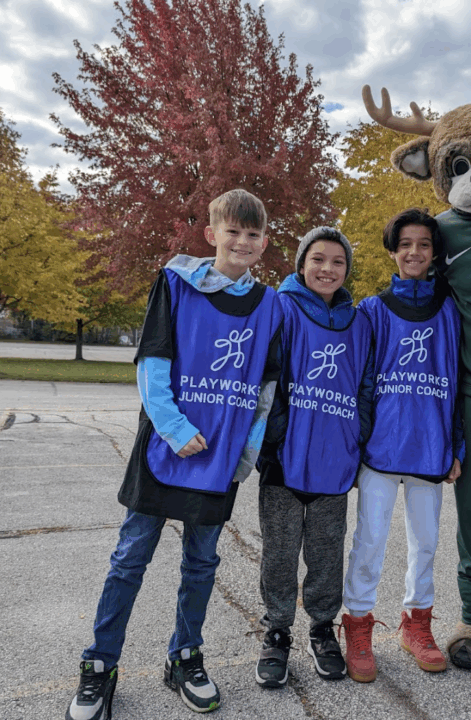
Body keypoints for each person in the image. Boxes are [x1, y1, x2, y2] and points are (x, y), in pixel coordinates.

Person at [66, 189, 283, 719]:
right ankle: (100, 665)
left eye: (253, 234)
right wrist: (173, 428)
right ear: (212, 234)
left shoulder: (271, 304)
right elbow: (152, 362)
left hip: (219, 458)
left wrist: (246, 453)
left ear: (264, 242)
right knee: (129, 558)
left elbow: (266, 388)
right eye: (233, 231)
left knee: (202, 563)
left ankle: (184, 656)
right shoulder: (175, 284)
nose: (243, 241)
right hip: (167, 449)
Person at [340, 208, 463, 683]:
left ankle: (417, 624)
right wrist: (356, 444)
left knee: (426, 544)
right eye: (406, 244)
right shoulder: (372, 311)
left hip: (431, 448)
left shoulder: (451, 311)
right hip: (381, 450)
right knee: (368, 541)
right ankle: (358, 625)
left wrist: (458, 446)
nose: (414, 252)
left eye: (424, 245)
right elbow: (358, 385)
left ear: (434, 254)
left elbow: (459, 381)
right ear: (393, 251)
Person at [254, 226, 374, 689]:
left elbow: (365, 387)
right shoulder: (280, 308)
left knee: (326, 556)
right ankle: (277, 631)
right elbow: (269, 377)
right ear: (302, 264)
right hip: (285, 460)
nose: (327, 269)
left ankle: (322, 629)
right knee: (280, 555)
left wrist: (355, 438)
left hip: (335, 461)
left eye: (338, 262)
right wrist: (278, 440)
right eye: (318, 259)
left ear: (347, 269)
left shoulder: (358, 321)